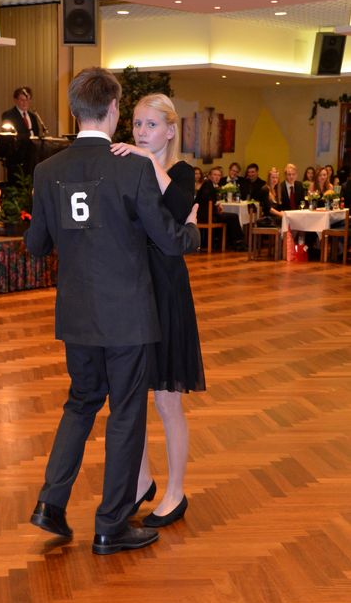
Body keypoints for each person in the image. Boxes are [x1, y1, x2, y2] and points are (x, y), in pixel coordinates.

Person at [24, 67, 200, 555]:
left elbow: (35, 245)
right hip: (128, 317)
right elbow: (169, 240)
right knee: (126, 411)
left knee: (81, 403)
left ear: (74, 109)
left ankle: (50, 503)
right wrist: (192, 229)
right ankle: (111, 524)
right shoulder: (132, 168)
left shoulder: (47, 171)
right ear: (115, 109)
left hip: (76, 314)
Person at [111, 93, 205, 527]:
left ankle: (175, 492)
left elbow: (183, 211)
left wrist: (149, 163)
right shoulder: (127, 167)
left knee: (167, 401)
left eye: (150, 125)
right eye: (136, 124)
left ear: (170, 130)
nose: (141, 132)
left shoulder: (180, 172)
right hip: (132, 288)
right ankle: (141, 481)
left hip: (166, 290)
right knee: (131, 397)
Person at [196, 166, 246, 250]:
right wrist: (217, 204)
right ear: (210, 176)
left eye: (219, 175)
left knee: (231, 217)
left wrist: (217, 204)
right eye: (215, 175)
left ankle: (232, 243)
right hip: (205, 216)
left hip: (209, 214)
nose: (217, 177)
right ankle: (238, 242)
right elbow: (207, 197)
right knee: (233, 217)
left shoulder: (213, 185)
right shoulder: (207, 184)